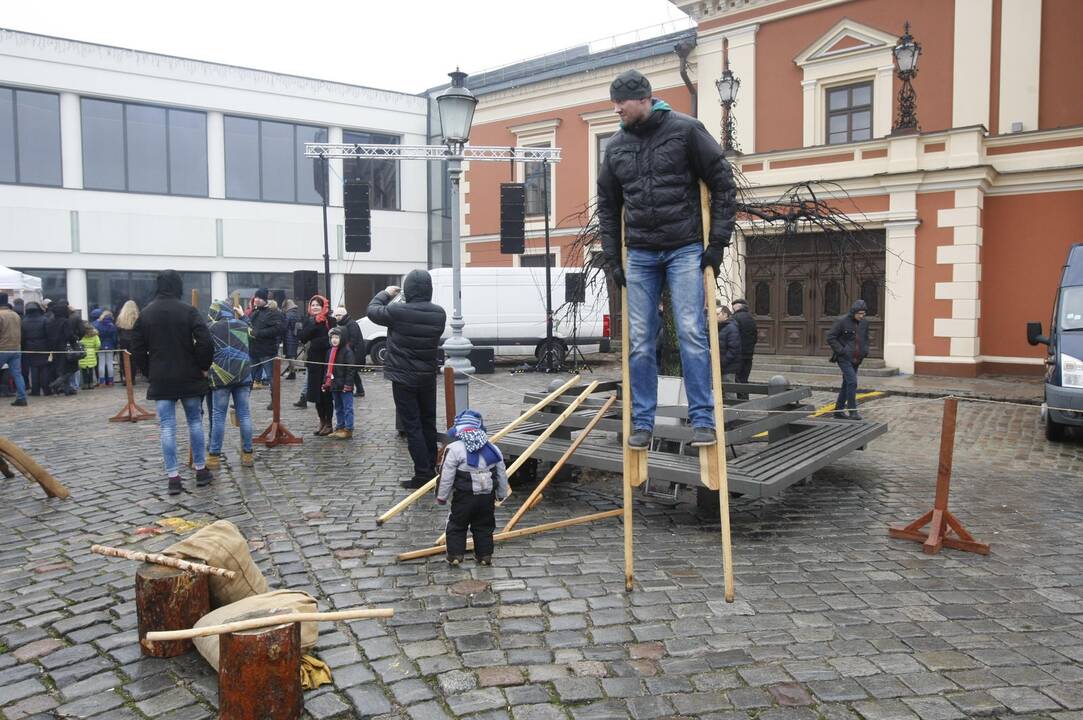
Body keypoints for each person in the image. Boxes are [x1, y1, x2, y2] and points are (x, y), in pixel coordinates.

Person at [596, 68, 737, 450]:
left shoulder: (686, 130)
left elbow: (723, 183)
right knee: (640, 340)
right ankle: (642, 422)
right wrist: (613, 260)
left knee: (692, 332)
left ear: (643, 99)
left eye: (620, 103)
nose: (616, 110)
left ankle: (703, 420)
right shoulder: (615, 147)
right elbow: (608, 208)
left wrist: (717, 244)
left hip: (684, 247)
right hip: (640, 253)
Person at [130, 270, 215, 496]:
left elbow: (136, 347)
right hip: (189, 374)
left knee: (167, 427)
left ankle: (173, 477)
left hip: (161, 377)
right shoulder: (188, 311)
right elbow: (206, 341)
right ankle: (200, 469)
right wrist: (202, 365)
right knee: (194, 422)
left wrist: (149, 371)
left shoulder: (146, 313)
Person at [367, 270, 446, 488]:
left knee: (412, 426)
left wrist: (386, 293)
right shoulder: (439, 313)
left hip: (403, 377)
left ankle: (423, 474)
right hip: (427, 376)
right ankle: (431, 466)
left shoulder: (398, 310)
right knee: (428, 422)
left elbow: (372, 311)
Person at [436, 409, 509, 567]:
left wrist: (442, 496)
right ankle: (484, 555)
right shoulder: (493, 448)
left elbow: (446, 475)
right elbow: (501, 473)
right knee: (484, 525)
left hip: (464, 497)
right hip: (487, 497)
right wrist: (502, 493)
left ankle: (455, 554)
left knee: (457, 524)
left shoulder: (454, 448)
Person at [205, 300, 254, 469]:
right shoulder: (241, 324)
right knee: (245, 415)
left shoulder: (210, 328)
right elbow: (254, 335)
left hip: (221, 377)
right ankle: (248, 454)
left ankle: (214, 457)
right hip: (243, 375)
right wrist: (244, 316)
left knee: (218, 416)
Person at [827, 299, 870, 421]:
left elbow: (865, 339)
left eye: (864, 313)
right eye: (859, 314)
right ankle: (852, 411)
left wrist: (865, 351)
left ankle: (838, 411)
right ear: (854, 312)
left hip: (857, 358)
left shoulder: (865, 323)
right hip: (844, 358)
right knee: (852, 382)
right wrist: (841, 351)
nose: (862, 316)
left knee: (846, 384)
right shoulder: (841, 321)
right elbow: (831, 337)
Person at [298, 295, 335, 436]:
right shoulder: (309, 321)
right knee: (316, 394)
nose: (314, 307)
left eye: (317, 305)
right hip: (313, 361)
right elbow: (302, 337)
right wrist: (314, 323)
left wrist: (318, 342)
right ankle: (322, 421)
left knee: (326, 393)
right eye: (312, 305)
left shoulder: (330, 320)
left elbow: (333, 339)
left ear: (323, 306)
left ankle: (329, 423)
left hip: (326, 361)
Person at [323, 326, 356, 439]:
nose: (334, 340)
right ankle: (340, 427)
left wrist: (348, 385)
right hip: (334, 384)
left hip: (345, 386)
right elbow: (327, 369)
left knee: (348, 408)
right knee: (338, 407)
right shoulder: (329, 351)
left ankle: (348, 428)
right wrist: (325, 382)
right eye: (332, 337)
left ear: (342, 338)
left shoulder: (347, 351)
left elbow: (350, 370)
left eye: (337, 337)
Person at [248, 288, 282, 389]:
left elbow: (278, 329)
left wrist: (258, 333)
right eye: (256, 297)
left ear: (265, 300)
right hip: (253, 351)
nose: (257, 300)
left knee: (271, 378)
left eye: (260, 298)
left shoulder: (273, 313)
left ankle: (274, 403)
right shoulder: (254, 312)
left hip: (267, 351)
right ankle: (242, 404)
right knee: (248, 379)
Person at [45, 300, 80, 395]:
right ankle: (57, 384)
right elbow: (69, 335)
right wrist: (75, 339)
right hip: (65, 348)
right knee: (71, 369)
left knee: (61, 369)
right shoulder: (65, 322)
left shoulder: (51, 322)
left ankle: (67, 389)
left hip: (55, 348)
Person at [332, 305, 366, 398]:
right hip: (351, 351)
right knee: (353, 372)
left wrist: (345, 349)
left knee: (352, 371)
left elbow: (353, 340)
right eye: (336, 315)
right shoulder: (343, 323)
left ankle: (358, 390)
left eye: (339, 315)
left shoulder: (351, 324)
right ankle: (360, 390)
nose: (337, 317)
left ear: (344, 315)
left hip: (355, 352)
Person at [0, 293, 27, 406]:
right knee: (17, 374)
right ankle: (22, 397)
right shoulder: (15, 315)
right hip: (16, 348)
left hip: (2, 348)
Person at [19, 301, 50, 397]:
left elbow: (22, 336)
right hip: (43, 345)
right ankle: (46, 390)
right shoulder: (44, 319)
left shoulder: (24, 321)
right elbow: (48, 334)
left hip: (29, 346)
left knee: (34, 369)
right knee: (44, 368)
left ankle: (35, 390)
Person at [731, 299, 758, 399]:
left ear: (737, 307)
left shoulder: (735, 318)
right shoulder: (751, 319)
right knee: (744, 378)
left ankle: (740, 400)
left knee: (737, 378)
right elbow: (755, 337)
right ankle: (745, 398)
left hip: (738, 354)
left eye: (733, 306)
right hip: (748, 353)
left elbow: (733, 337)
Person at [717, 305, 741, 402]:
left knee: (729, 392)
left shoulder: (731, 328)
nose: (715, 316)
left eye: (717, 314)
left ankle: (732, 413)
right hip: (721, 365)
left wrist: (722, 362)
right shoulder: (720, 327)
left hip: (728, 366)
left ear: (725, 315)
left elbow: (733, 349)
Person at [116, 300, 140, 385]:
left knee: (123, 360)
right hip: (133, 340)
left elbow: (118, 329)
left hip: (123, 340)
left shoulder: (121, 317)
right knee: (133, 360)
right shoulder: (137, 317)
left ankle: (126, 378)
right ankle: (132, 379)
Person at [93, 310, 118, 386]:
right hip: (110, 345)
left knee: (101, 364)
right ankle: (110, 381)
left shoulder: (98, 325)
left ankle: (102, 381)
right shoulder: (112, 326)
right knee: (110, 364)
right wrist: (115, 345)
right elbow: (115, 338)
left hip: (101, 345)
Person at [282, 299, 302, 381]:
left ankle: (292, 372)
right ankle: (292, 372)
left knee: (290, 355)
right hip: (295, 336)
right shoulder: (297, 313)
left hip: (288, 337)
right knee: (292, 355)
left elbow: (285, 326)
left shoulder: (288, 314)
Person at [78, 323, 100, 388]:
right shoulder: (95, 336)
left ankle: (85, 384)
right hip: (92, 353)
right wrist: (95, 350)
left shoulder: (81, 336)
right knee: (91, 370)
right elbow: (98, 344)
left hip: (83, 353)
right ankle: (91, 384)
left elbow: (79, 343)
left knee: (84, 370)